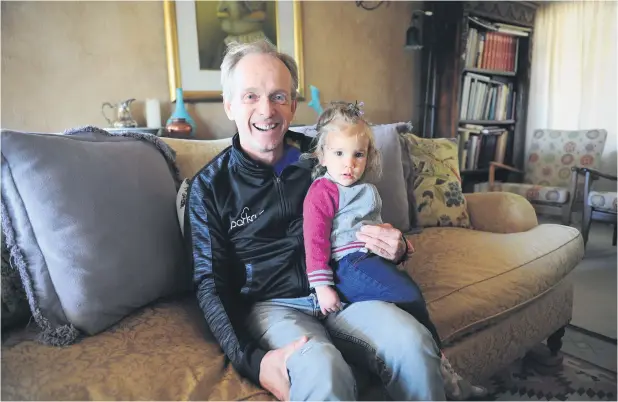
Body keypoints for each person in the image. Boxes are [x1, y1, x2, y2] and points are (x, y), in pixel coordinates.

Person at [185, 38, 445, 401]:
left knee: (413, 343)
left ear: (293, 105)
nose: (266, 110)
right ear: (229, 105)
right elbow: (209, 285)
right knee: (324, 370)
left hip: (345, 290)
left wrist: (397, 246)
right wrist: (252, 359)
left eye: (278, 96)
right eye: (250, 96)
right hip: (274, 308)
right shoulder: (209, 188)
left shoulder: (324, 158)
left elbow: (363, 218)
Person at [302, 101, 487, 400]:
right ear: (322, 155)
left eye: (357, 154)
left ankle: (445, 373)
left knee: (406, 296)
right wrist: (322, 286)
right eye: (338, 153)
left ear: (368, 157)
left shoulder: (365, 189)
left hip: (370, 259)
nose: (348, 164)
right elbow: (314, 240)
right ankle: (445, 369)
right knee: (409, 294)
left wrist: (399, 245)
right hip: (348, 265)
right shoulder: (322, 190)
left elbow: (378, 228)